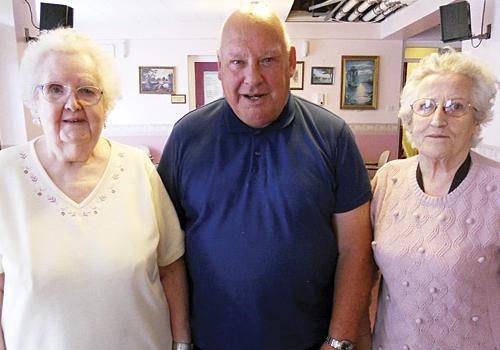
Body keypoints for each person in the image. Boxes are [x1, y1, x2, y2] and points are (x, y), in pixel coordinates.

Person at [158, 4, 374, 350]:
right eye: (237, 62)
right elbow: (168, 253)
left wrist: (339, 342)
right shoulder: (186, 136)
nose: (252, 78)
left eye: (268, 60)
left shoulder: (332, 136)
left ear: (291, 62)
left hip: (309, 342)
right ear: (220, 68)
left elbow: (356, 248)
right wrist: (180, 341)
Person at [0, 28, 191, 350]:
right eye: (55, 89)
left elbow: (171, 267)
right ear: (34, 101)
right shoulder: (5, 174)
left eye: (87, 91)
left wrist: (182, 344)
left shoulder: (137, 166)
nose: (72, 104)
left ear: (106, 103)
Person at [370, 49, 500, 349]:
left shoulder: (495, 187)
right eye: (426, 106)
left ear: (476, 120)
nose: (438, 119)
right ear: (410, 118)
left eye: (456, 107)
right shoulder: (389, 180)